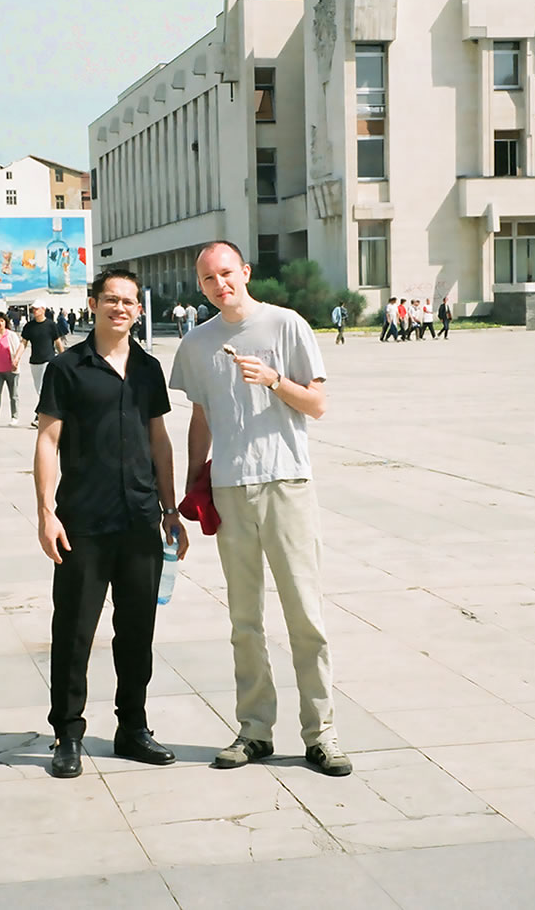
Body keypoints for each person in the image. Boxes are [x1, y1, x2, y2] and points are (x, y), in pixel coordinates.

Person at [170, 240, 351, 778]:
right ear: (199, 286)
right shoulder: (197, 343)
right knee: (244, 619)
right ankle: (254, 730)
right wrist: (191, 484)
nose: (219, 284)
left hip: (286, 482)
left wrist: (274, 380)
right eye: (208, 279)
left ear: (245, 272)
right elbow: (200, 417)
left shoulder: (286, 325)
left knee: (305, 616)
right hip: (229, 488)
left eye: (227, 273)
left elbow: (317, 405)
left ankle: (322, 734)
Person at [33, 268, 187, 779]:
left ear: (139, 310)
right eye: (111, 300)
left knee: (137, 629)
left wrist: (171, 508)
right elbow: (47, 441)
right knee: (74, 631)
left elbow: (159, 440)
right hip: (83, 520)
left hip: (141, 519)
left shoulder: (148, 368)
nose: (120, 308)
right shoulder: (67, 367)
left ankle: (133, 728)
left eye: (129, 301)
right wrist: (46, 513)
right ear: (93, 304)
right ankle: (67, 733)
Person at [22, 299, 66, 428]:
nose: (34, 311)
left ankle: (39, 416)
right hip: (34, 361)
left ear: (43, 310)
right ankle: (50, 413)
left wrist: (63, 357)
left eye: (36, 309)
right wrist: (16, 357)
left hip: (49, 360)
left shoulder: (51, 325)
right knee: (39, 390)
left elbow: (58, 342)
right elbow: (23, 343)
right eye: (33, 309)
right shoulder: (29, 326)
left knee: (43, 389)